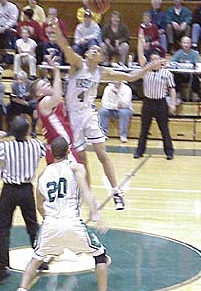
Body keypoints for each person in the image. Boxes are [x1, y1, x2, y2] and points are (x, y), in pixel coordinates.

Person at [52, 22, 162, 210]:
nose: (95, 50)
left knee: (102, 153)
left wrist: (150, 67)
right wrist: (56, 31)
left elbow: (130, 77)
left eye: (98, 50)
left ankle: (116, 191)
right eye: (92, 49)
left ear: (102, 57)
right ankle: (88, 196)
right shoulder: (78, 64)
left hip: (88, 113)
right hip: (73, 117)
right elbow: (65, 47)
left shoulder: (102, 72)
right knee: (82, 159)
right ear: (86, 54)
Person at [10, 136, 118, 291]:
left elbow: (39, 204)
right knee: (100, 255)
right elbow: (85, 190)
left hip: (50, 223)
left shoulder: (43, 174)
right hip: (72, 221)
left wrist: (50, 221)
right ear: (69, 150)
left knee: (36, 257)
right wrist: (95, 213)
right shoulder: (76, 167)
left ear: (51, 153)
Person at [0, 115, 46, 284]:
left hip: (9, 191)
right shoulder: (36, 145)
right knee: (32, 225)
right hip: (26, 189)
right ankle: (41, 259)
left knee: (3, 229)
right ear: (28, 131)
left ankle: (2, 268)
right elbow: (45, 150)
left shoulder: (5, 146)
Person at [134, 32, 176, 160]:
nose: (154, 62)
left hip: (161, 103)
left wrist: (172, 104)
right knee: (144, 129)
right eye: (152, 60)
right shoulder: (146, 70)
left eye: (156, 59)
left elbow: (172, 89)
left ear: (160, 61)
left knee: (164, 129)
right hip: (147, 103)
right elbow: (141, 55)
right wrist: (140, 40)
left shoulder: (167, 73)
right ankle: (139, 151)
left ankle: (169, 152)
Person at [30, 56, 80, 164]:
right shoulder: (44, 101)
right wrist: (56, 71)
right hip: (60, 151)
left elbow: (59, 95)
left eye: (47, 82)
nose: (48, 83)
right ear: (39, 93)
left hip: (61, 147)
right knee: (78, 174)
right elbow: (57, 96)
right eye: (44, 85)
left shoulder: (49, 103)